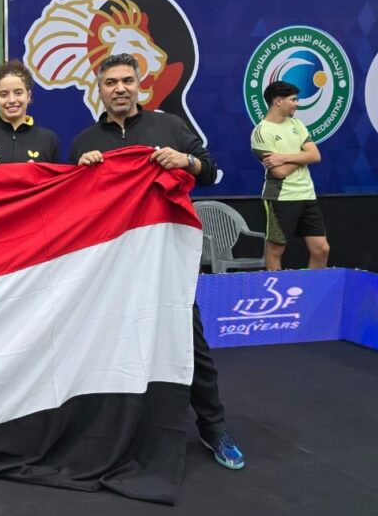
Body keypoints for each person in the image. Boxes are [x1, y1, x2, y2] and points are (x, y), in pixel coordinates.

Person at [69, 52, 244, 471]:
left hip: (166, 262)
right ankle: (118, 432)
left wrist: (187, 161)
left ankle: (214, 428)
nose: (120, 89)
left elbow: (209, 170)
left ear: (139, 85)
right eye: (111, 82)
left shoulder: (170, 127)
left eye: (126, 81)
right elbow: (73, 207)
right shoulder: (84, 142)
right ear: (100, 89)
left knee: (191, 344)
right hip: (111, 268)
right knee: (109, 348)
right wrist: (80, 171)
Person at [251, 80, 329, 270]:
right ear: (278, 101)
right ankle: (275, 288)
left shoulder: (297, 124)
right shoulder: (261, 132)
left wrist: (284, 157)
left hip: (307, 195)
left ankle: (312, 288)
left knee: (321, 249)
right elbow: (279, 172)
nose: (297, 104)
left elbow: (315, 155)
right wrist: (303, 156)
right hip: (280, 197)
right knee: (276, 249)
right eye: (293, 100)